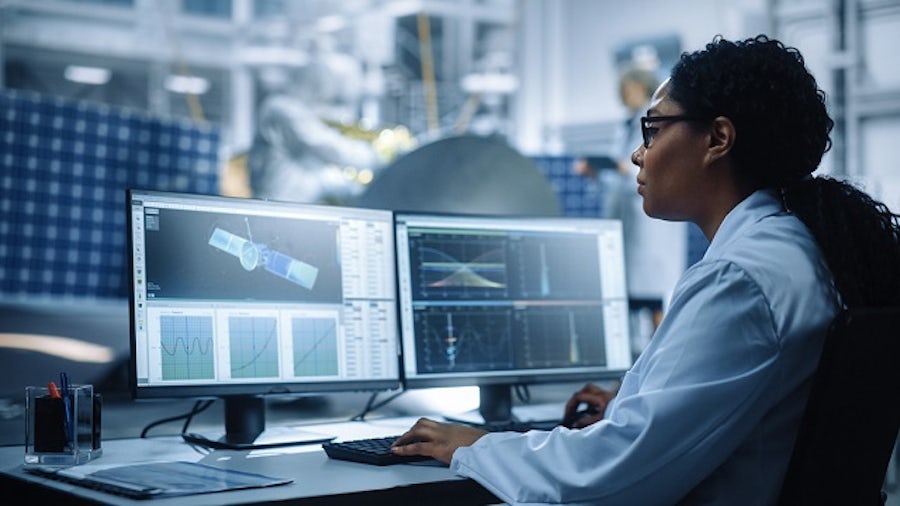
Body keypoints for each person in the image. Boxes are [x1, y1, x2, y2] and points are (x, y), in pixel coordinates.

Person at [391, 34, 900, 504]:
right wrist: (631, 404)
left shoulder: (740, 278)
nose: (638, 154)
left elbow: (611, 476)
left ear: (717, 139)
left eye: (653, 130)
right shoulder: (800, 247)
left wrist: (474, 446)